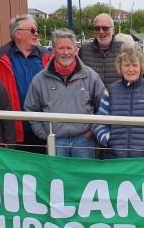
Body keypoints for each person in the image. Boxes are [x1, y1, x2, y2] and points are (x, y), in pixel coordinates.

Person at [24, 29, 105, 158]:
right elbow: (30, 110)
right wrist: (45, 135)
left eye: (69, 48)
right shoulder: (40, 79)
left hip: (84, 141)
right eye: (61, 48)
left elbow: (103, 107)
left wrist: (91, 131)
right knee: (57, 177)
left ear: (76, 49)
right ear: (54, 49)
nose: (65, 52)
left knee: (84, 177)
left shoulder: (91, 76)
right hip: (55, 142)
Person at [93, 44, 144, 158]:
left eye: (135, 65)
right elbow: (99, 123)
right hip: (114, 158)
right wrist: (107, 140)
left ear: (141, 66)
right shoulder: (109, 91)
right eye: (126, 65)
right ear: (120, 67)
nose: (131, 69)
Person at [0, 14, 46, 152]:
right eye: (32, 30)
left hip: (44, 128)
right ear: (18, 34)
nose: (36, 34)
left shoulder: (47, 57)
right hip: (15, 130)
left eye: (36, 30)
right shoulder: (0, 61)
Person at [78, 13, 123, 84]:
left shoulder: (124, 49)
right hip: (93, 95)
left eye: (105, 28)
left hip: (118, 95)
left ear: (113, 30)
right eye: (97, 28)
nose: (101, 31)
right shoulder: (84, 50)